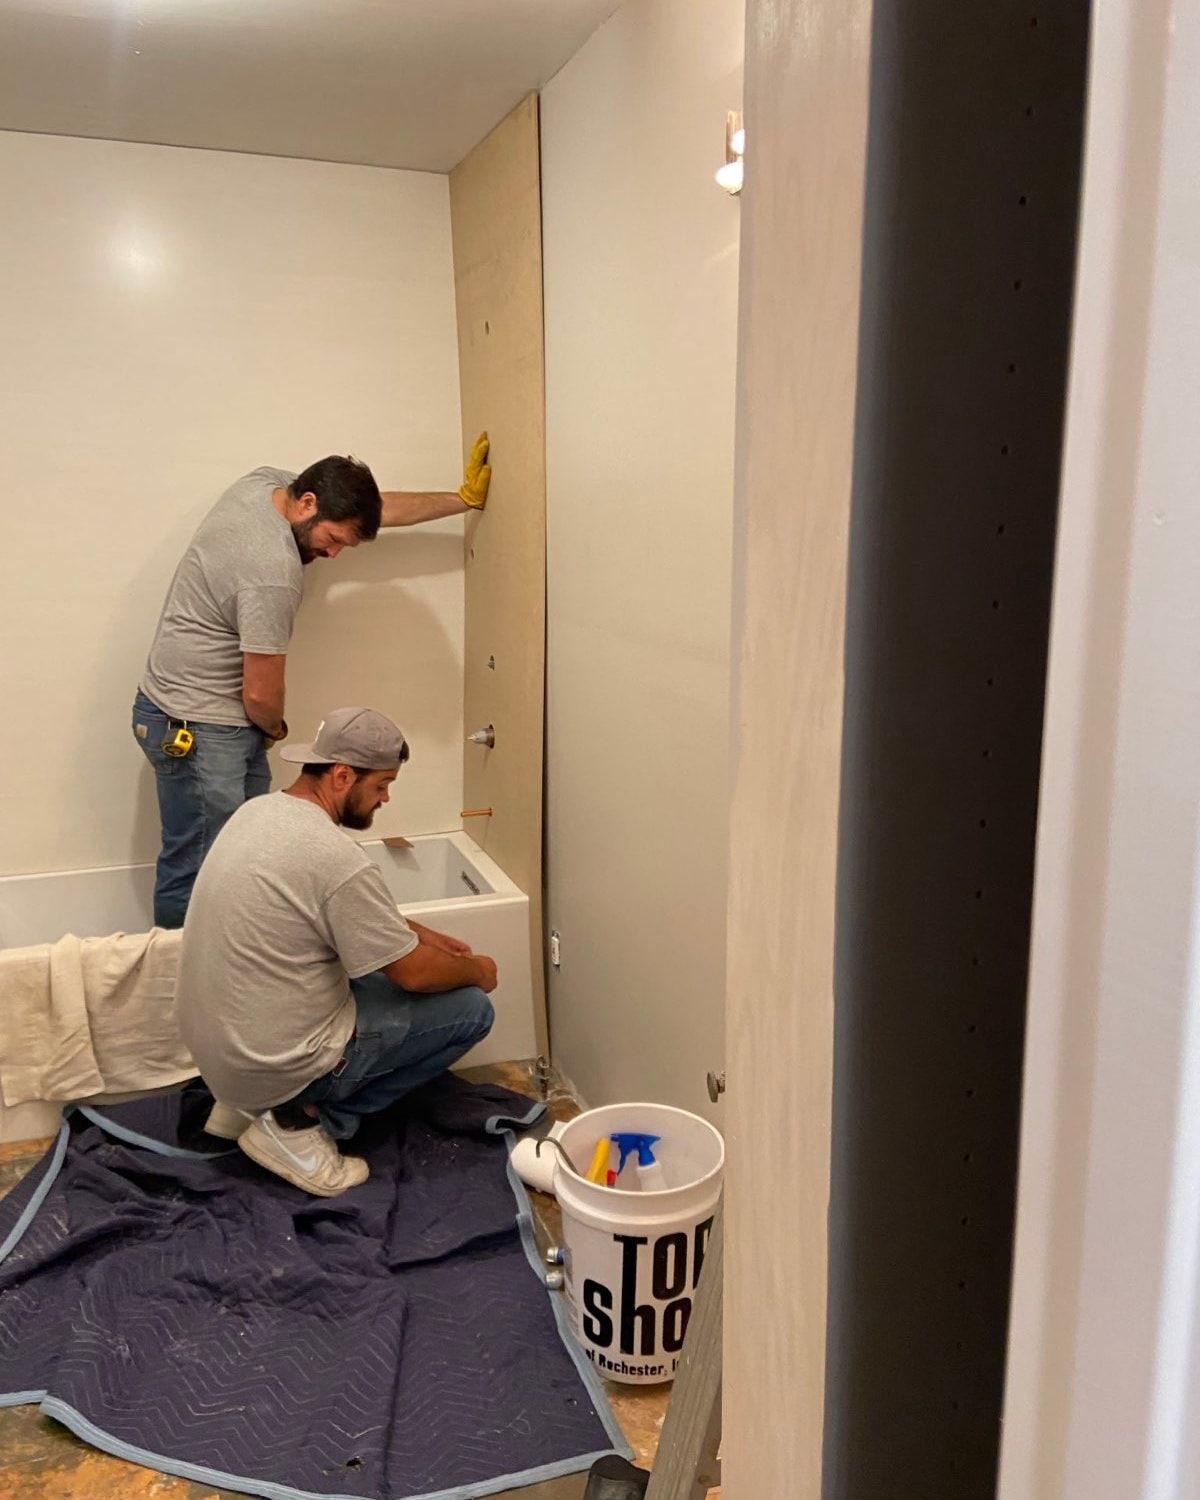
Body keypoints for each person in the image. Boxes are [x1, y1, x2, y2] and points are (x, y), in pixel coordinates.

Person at [133, 436, 491, 928]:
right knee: (199, 867)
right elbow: (260, 694)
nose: (337, 553)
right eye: (336, 540)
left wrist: (461, 499)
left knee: (241, 860)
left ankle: (233, 975)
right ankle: (172, 990)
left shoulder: (266, 484)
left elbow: (374, 507)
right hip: (198, 726)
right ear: (307, 504)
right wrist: (276, 730)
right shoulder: (271, 572)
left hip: (201, 716)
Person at [177, 707, 499, 1197]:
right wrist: (478, 968)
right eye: (382, 784)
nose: (386, 798)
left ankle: (246, 1107)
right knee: (472, 1009)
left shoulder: (258, 813)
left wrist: (426, 936)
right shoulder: (333, 855)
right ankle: (299, 1126)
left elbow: (331, 911)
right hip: (268, 1062)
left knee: (364, 973)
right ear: (342, 775)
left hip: (222, 1054)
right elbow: (412, 975)